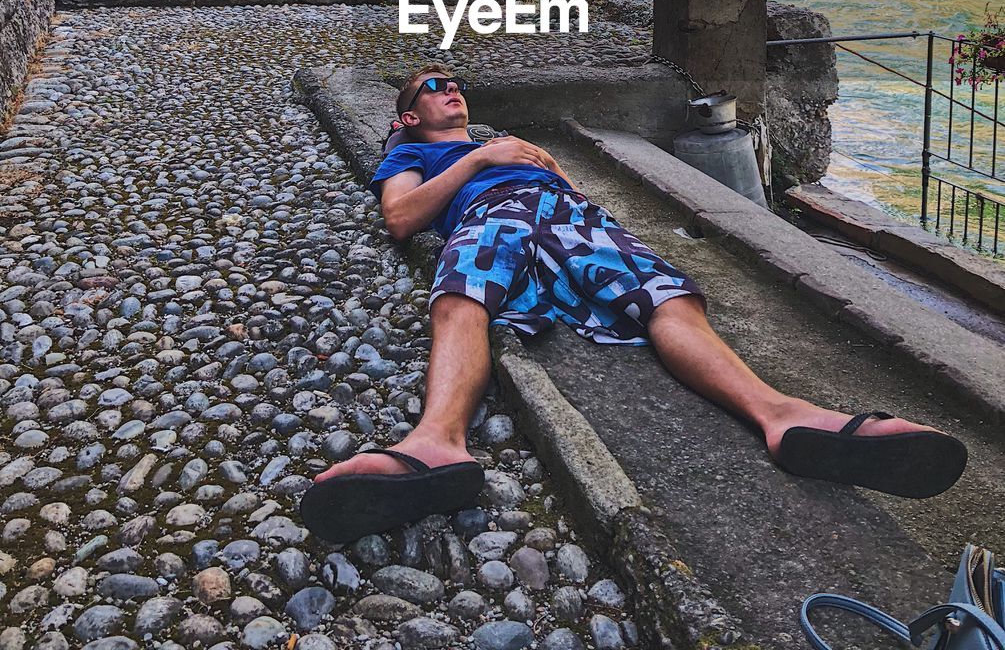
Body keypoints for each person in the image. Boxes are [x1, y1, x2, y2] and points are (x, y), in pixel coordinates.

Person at [299, 66, 967, 542]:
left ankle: (781, 416)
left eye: (455, 84)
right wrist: (478, 163)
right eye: (433, 88)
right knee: (461, 295)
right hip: (495, 216)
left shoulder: (508, 146)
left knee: (667, 298)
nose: (452, 91)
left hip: (568, 218)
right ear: (408, 115)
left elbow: (575, 194)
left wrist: (542, 169)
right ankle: (436, 440)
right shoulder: (411, 152)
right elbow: (400, 219)